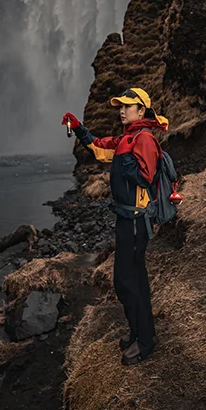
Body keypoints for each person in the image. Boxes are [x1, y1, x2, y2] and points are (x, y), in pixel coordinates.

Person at [62, 87, 169, 364]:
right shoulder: (128, 137)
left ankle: (144, 342)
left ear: (141, 110)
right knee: (131, 280)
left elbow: (145, 177)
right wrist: (78, 128)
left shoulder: (142, 138)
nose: (121, 110)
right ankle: (138, 333)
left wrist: (126, 154)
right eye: (120, 106)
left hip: (136, 220)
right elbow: (99, 148)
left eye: (127, 106)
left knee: (127, 281)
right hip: (125, 219)